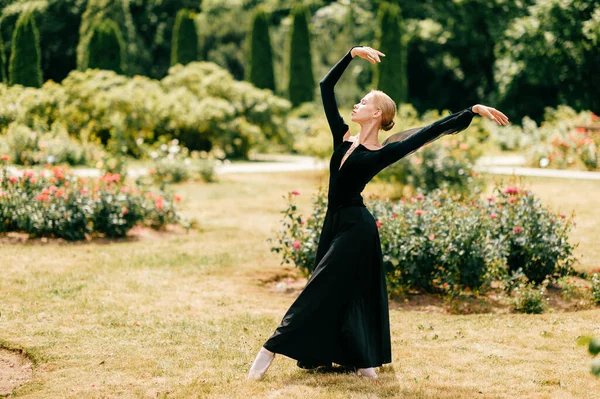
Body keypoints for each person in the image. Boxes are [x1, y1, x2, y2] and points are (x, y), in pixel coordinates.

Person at [248, 45, 509, 381]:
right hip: (334, 224)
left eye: (365, 102)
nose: (357, 103)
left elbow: (429, 132)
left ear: (376, 115)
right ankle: (360, 360)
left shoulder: (380, 153)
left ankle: (270, 347)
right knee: (347, 292)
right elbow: (325, 88)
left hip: (357, 227)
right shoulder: (342, 138)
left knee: (320, 287)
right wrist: (350, 54)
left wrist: (470, 110)